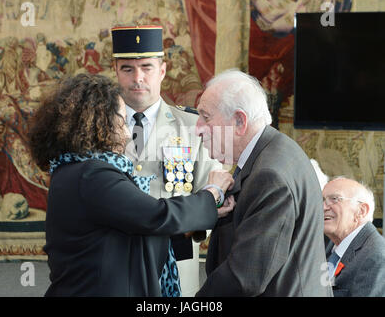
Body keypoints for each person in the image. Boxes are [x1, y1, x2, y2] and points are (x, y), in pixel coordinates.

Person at [28, 73, 233, 297]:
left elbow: (134, 226)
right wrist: (211, 195)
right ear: (98, 122)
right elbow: (155, 215)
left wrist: (205, 211)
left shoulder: (74, 169)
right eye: (122, 121)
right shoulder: (92, 175)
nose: (127, 135)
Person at [195, 69, 332, 296]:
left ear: (239, 121)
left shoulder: (269, 176)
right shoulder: (273, 151)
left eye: (205, 117)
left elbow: (244, 277)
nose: (197, 128)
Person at [111, 25, 222, 296]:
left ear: (162, 70)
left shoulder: (193, 127)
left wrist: (192, 227)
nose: (138, 78)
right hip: (115, 259)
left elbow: (214, 191)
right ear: (115, 71)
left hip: (175, 259)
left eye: (147, 67)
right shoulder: (97, 129)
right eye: (127, 68)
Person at [323, 176, 385, 297]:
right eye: (323, 200)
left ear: (361, 211)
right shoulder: (328, 245)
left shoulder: (377, 256)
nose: (324, 207)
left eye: (335, 199)